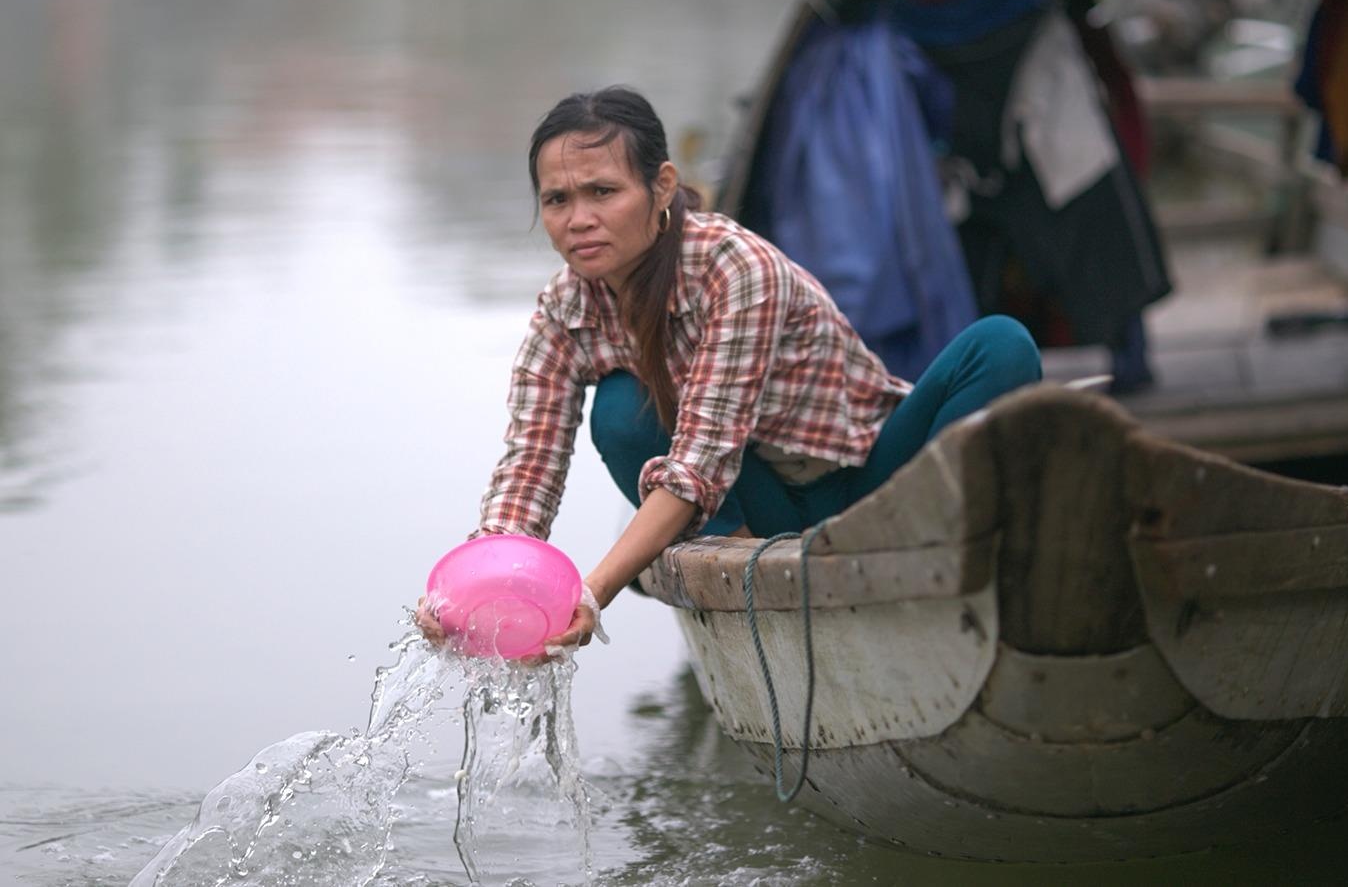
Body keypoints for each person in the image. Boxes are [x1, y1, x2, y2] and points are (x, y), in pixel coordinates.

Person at [419, 86, 1042, 653]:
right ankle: (750, 572)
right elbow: (530, 465)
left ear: (662, 187)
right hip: (757, 513)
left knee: (1001, 344)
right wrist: (475, 583)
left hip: (874, 478)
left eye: (603, 192)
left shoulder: (734, 268)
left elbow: (700, 461)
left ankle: (932, 547)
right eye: (557, 200)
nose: (579, 218)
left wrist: (592, 592)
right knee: (619, 406)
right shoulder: (563, 309)